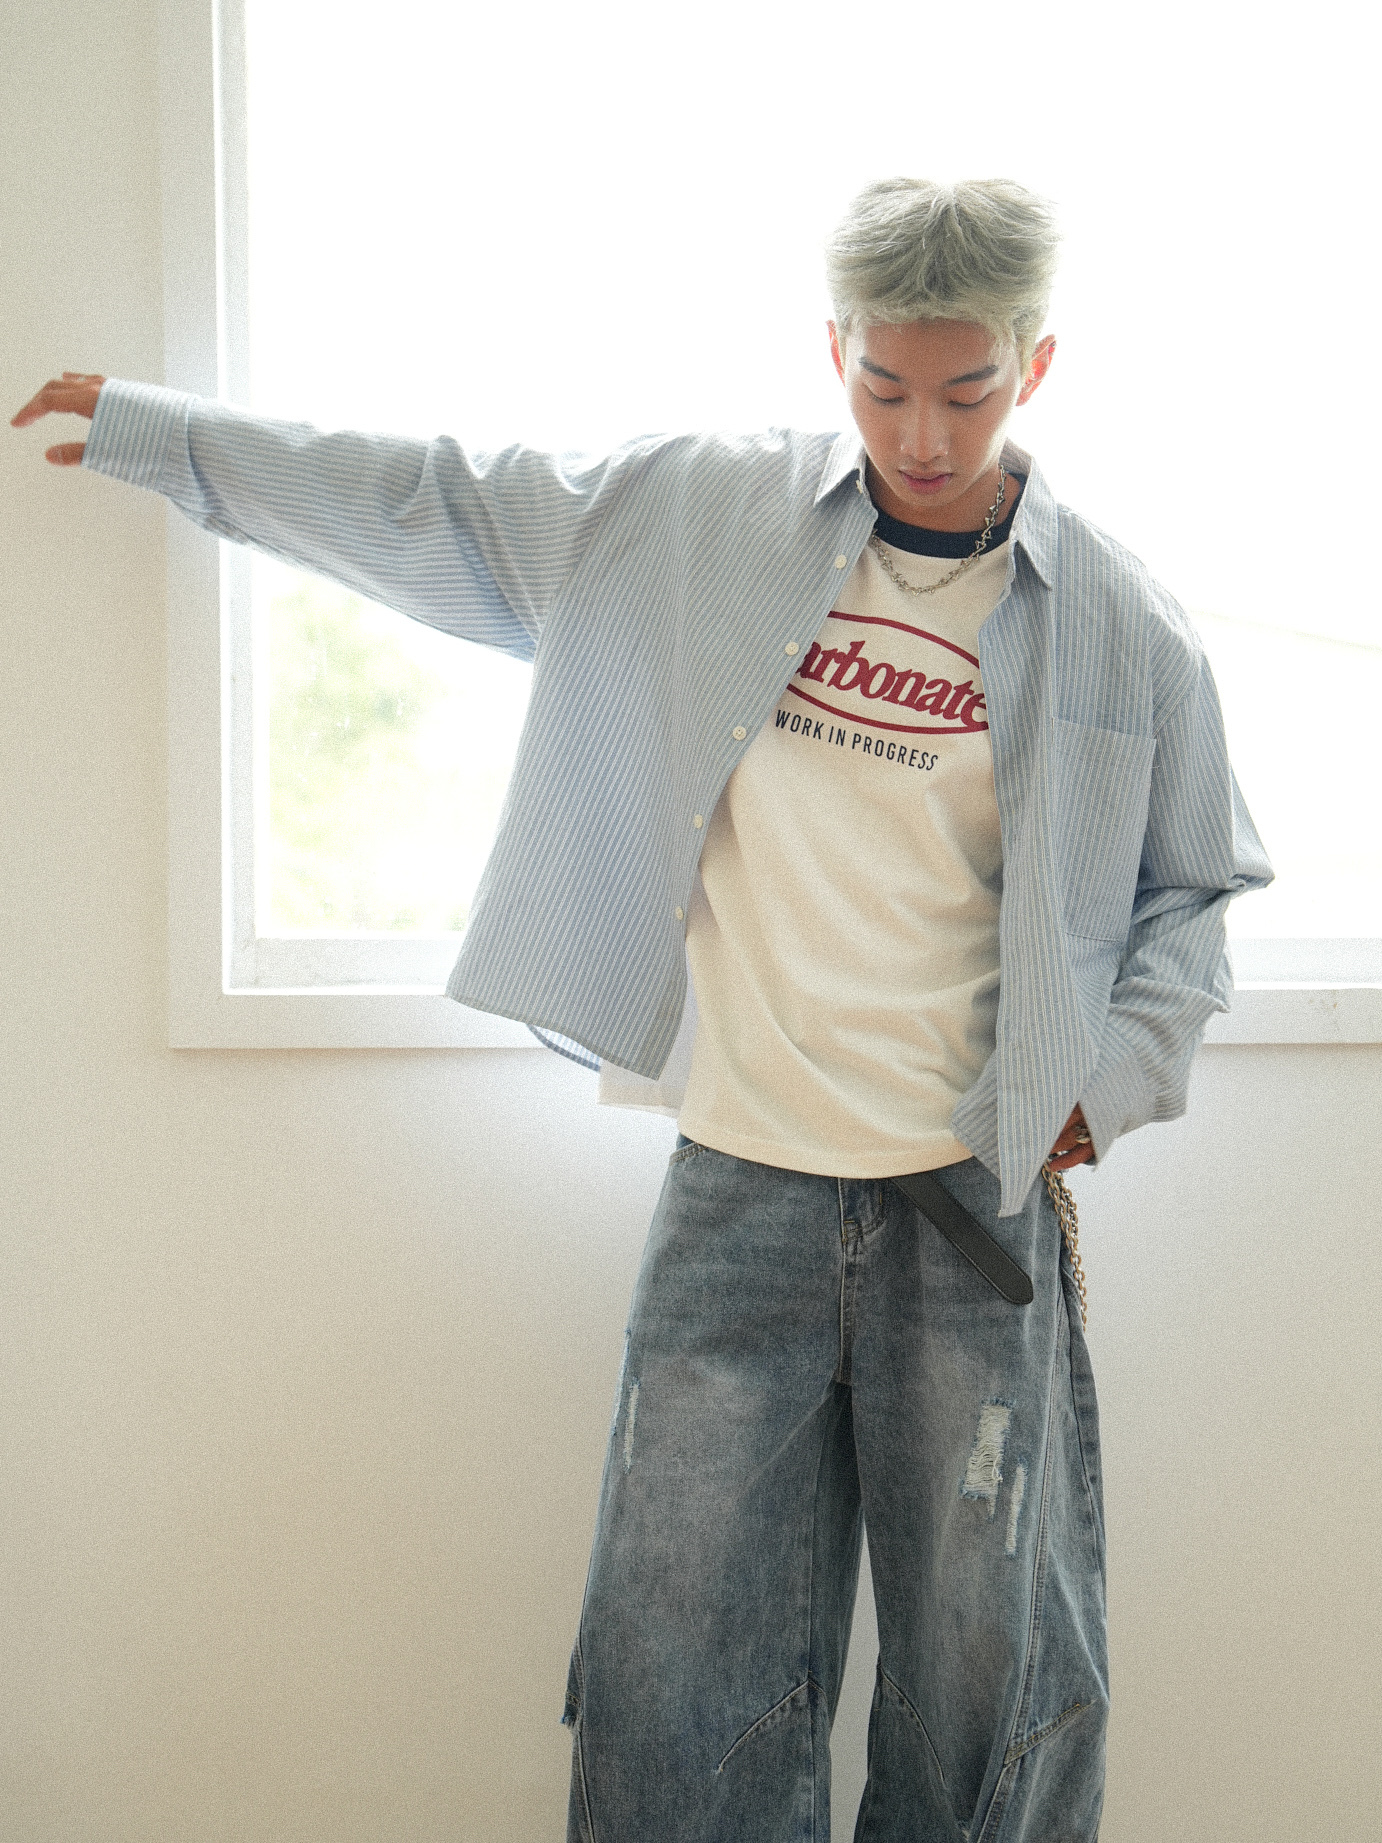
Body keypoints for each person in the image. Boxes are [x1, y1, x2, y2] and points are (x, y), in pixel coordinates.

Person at [13, 176, 1270, 1842]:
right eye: (883, 385)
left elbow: (1196, 888)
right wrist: (166, 436)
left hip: (972, 1209)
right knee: (678, 1662)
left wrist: (1103, 1086)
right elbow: (439, 500)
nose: (919, 432)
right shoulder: (693, 519)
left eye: (966, 393)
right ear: (833, 350)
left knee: (988, 1670)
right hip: (740, 1183)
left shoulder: (1121, 622)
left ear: (1033, 368)